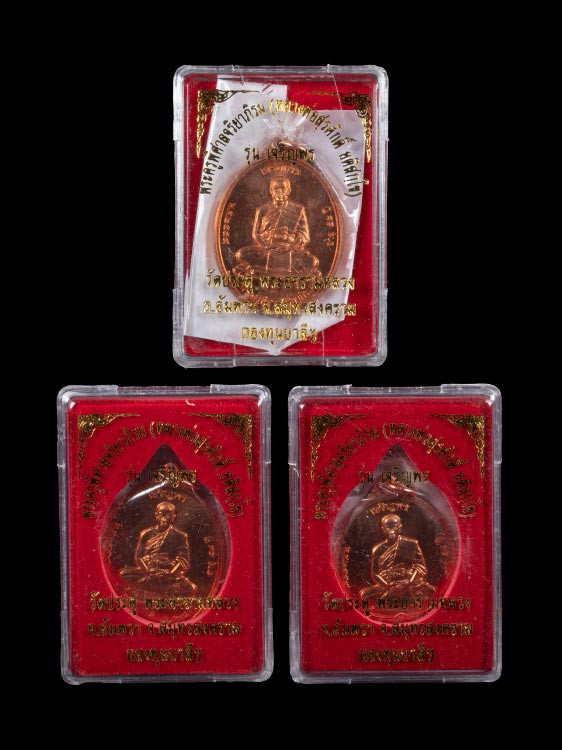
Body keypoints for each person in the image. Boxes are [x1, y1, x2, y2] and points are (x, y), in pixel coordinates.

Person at [233, 176, 319, 275]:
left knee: (313, 262)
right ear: (271, 191)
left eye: (283, 188)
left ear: (289, 190)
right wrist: (267, 246)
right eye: (276, 189)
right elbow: (255, 234)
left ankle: (259, 272)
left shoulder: (298, 209)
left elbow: (305, 235)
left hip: (290, 250)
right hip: (266, 249)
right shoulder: (262, 210)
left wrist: (290, 246)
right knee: (240, 255)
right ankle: (292, 274)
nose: (279, 192)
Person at [120, 502, 197, 594]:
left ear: (173, 517)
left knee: (191, 588)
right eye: (161, 514)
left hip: (169, 574)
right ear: (156, 515)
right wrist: (148, 571)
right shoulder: (146, 533)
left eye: (168, 515)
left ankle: (150, 589)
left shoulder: (180, 536)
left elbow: (183, 560)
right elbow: (139, 557)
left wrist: (169, 573)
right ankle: (160, 589)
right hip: (149, 571)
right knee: (123, 574)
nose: (164, 518)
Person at [359, 514, 435, 600]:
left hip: (408, 581)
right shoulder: (377, 549)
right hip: (387, 584)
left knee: (429, 591)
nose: (391, 531)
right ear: (382, 530)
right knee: (365, 595)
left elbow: (420, 567)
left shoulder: (411, 544)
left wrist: (410, 581)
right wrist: (387, 585)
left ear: (400, 528)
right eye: (387, 528)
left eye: (394, 527)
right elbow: (375, 574)